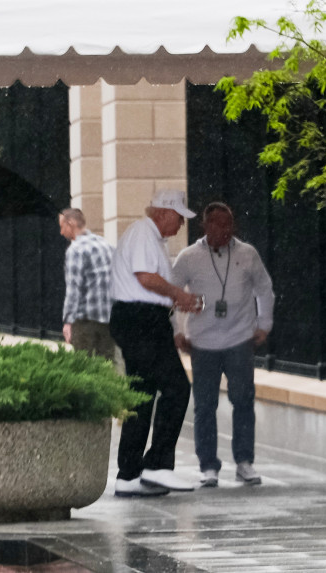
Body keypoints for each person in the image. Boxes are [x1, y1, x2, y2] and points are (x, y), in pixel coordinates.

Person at [172, 202, 274, 488]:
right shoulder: (189, 257)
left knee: (243, 401)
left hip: (239, 339)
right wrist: (176, 332)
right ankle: (208, 466)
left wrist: (264, 324)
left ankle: (244, 462)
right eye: (217, 223)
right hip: (202, 343)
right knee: (205, 406)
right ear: (205, 226)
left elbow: (264, 289)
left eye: (229, 223)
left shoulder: (247, 253)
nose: (225, 229)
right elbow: (170, 293)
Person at [110, 189, 203, 497]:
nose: (181, 225)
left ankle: (129, 474)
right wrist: (179, 295)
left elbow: (151, 285)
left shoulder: (151, 239)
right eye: (179, 218)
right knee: (177, 388)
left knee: (142, 395)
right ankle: (157, 466)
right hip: (141, 321)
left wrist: (173, 311)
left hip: (141, 319)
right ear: (163, 213)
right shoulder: (142, 233)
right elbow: (146, 278)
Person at [59, 208, 116, 363]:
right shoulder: (106, 245)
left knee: (84, 365)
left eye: (62, 227)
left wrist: (68, 321)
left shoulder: (75, 250)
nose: (61, 232)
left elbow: (74, 289)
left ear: (71, 223)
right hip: (109, 317)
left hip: (85, 319)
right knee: (108, 364)